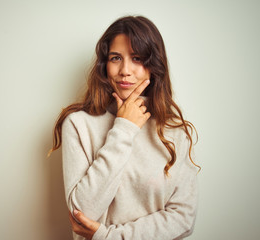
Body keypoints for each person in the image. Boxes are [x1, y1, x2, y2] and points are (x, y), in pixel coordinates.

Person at [49, 15, 200, 240]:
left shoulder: (174, 130)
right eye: (116, 58)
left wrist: (107, 236)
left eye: (137, 58)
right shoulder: (79, 124)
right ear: (104, 65)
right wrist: (124, 128)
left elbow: (184, 218)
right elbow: (82, 214)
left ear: (154, 66)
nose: (125, 70)